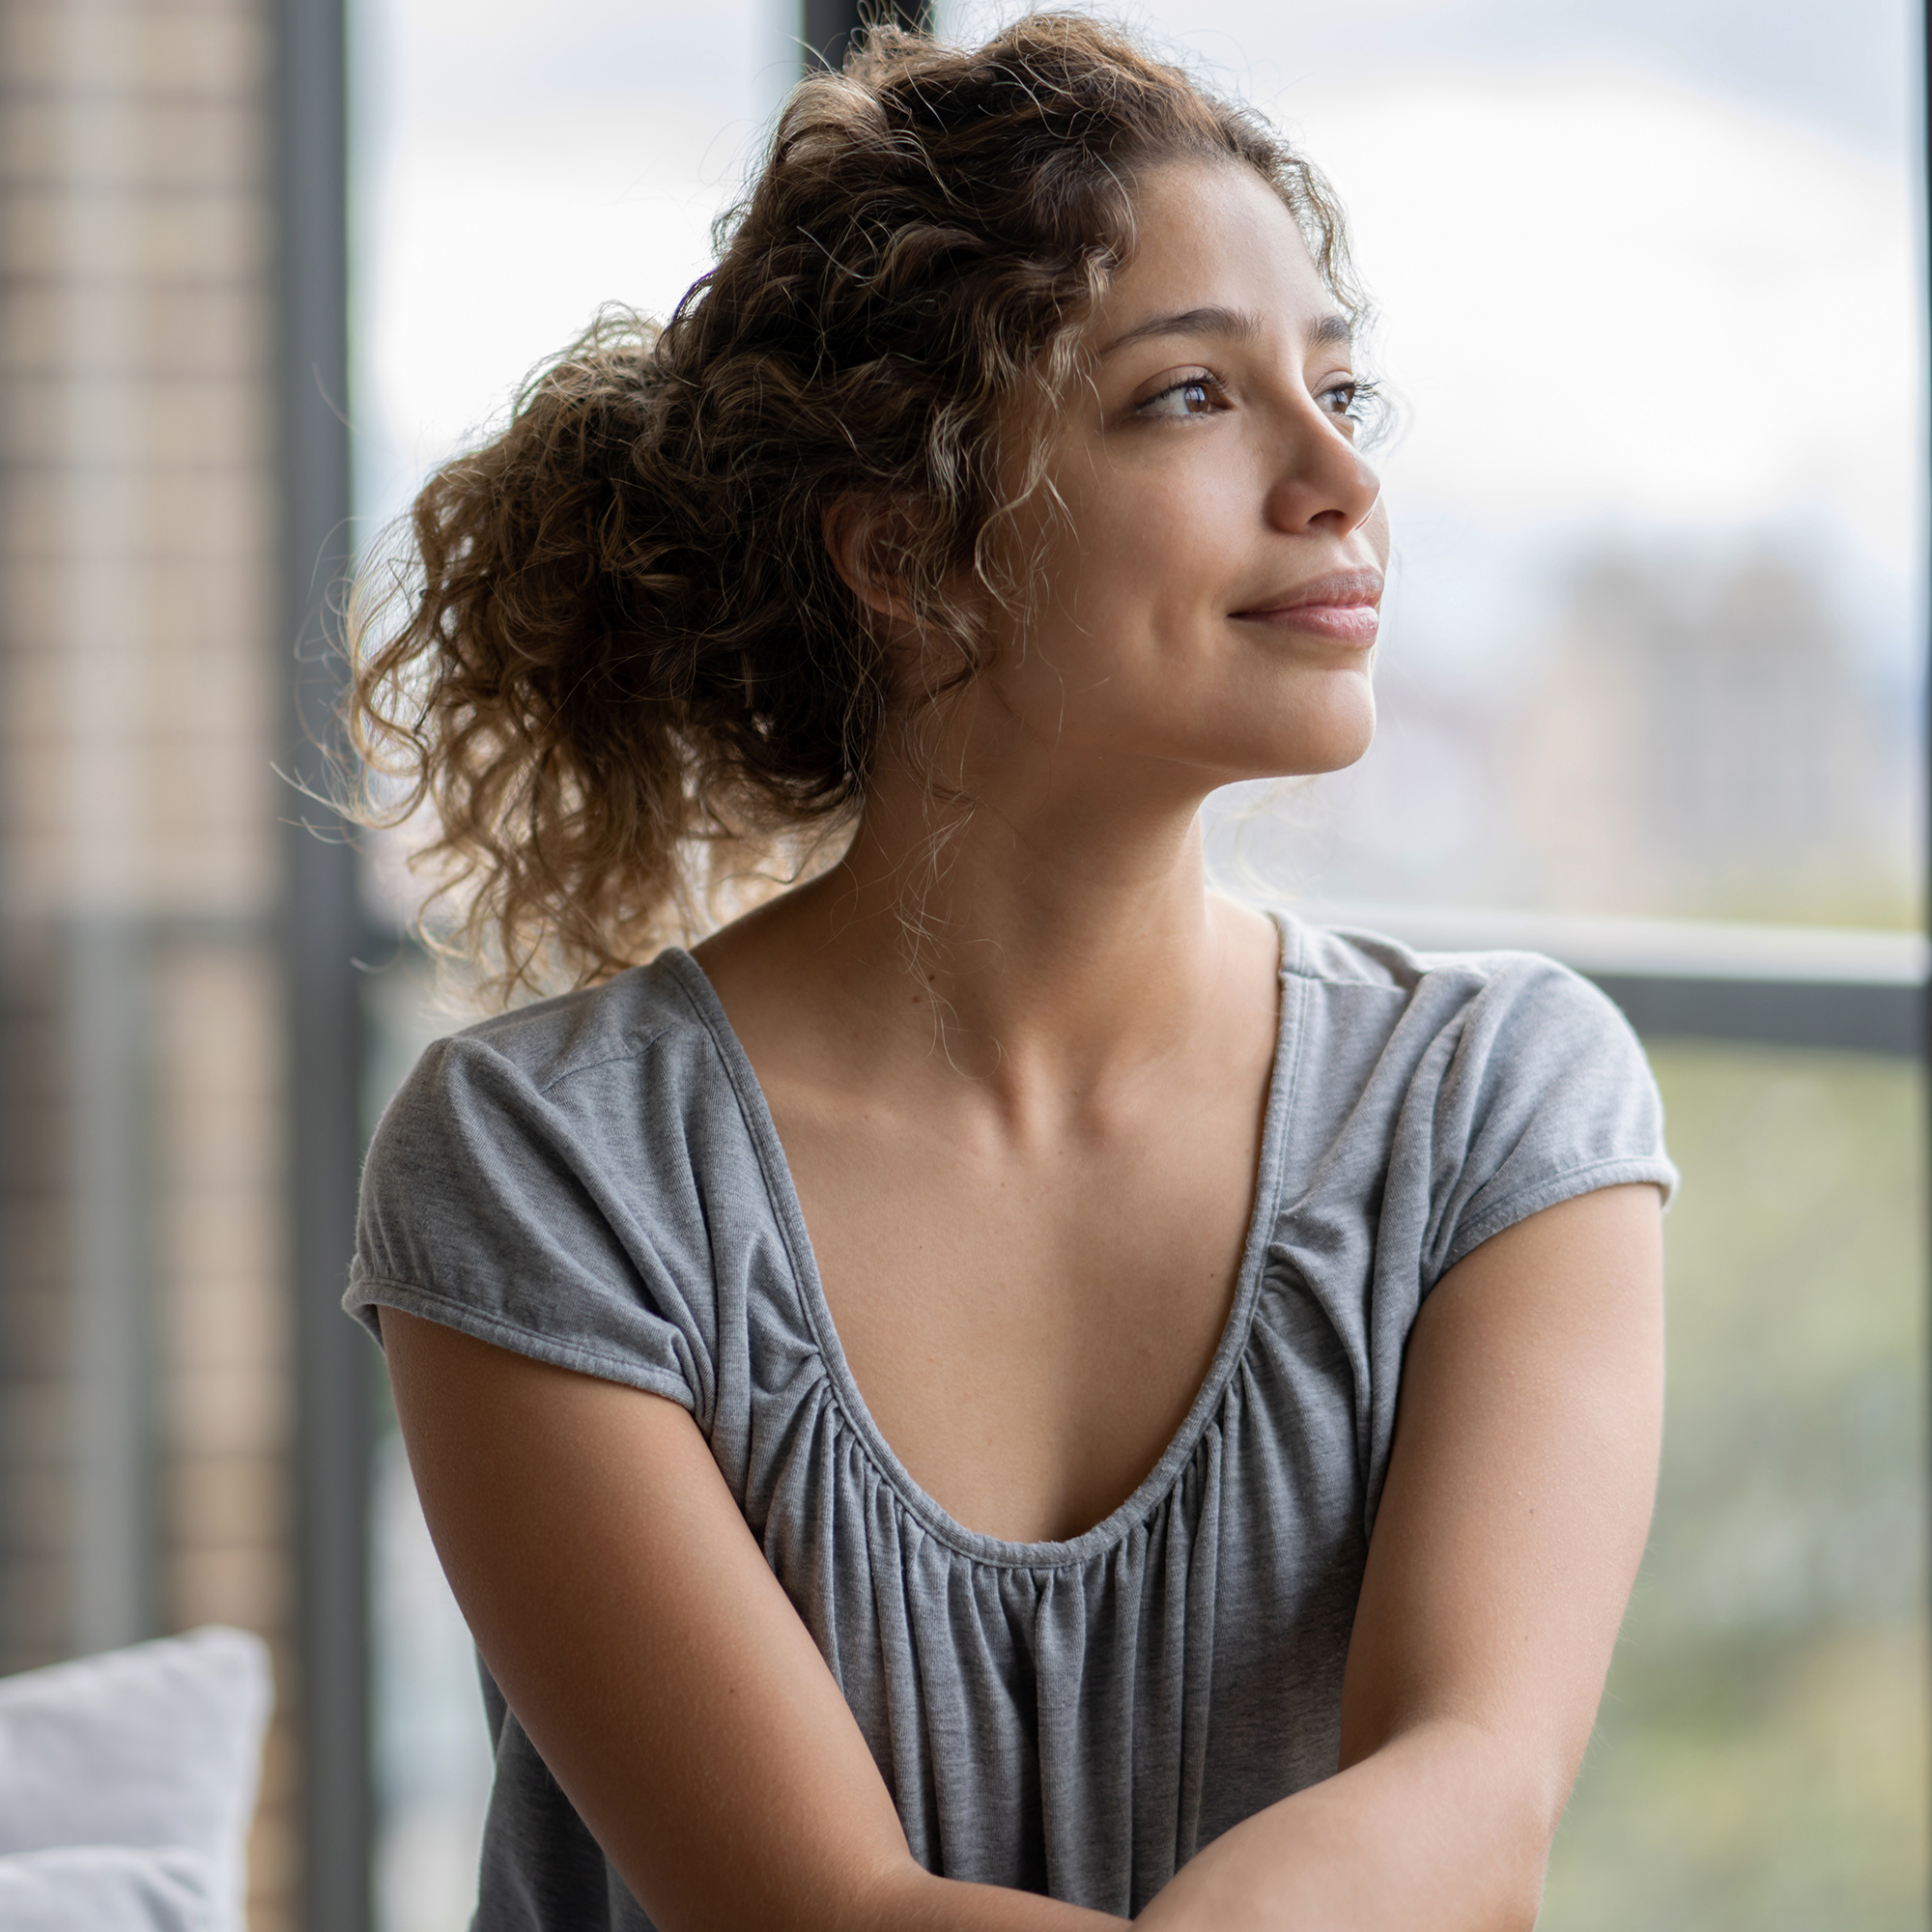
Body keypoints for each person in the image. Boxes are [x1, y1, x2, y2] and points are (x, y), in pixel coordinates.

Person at [345, 15, 1676, 1930]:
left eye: (1337, 387)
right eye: (1191, 397)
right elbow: (825, 1912)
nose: (1338, 480)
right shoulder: (547, 1164)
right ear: (906, 555)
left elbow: (1473, 1799)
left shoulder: (1498, 1106)